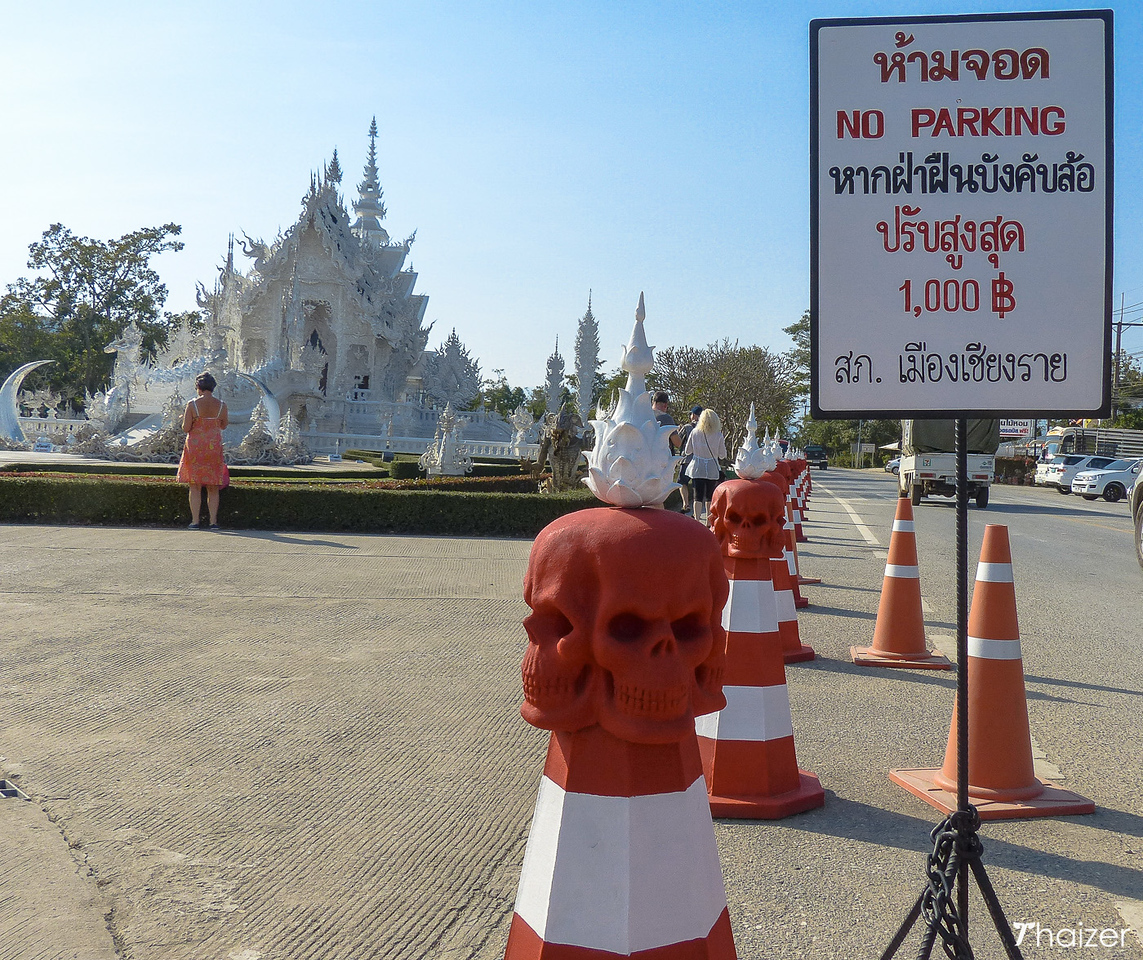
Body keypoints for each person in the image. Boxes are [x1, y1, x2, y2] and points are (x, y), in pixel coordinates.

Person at [177, 372, 230, 529]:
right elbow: (223, 425)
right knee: (213, 486)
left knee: (195, 485)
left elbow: (186, 428)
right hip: (213, 447)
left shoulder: (192, 405)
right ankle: (213, 521)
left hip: (195, 447)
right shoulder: (221, 405)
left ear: (198, 387)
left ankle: (195, 521)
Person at [683, 408, 726, 523]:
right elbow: (722, 455)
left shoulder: (695, 432)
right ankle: (708, 521)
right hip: (712, 467)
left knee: (697, 495)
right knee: (709, 495)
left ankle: (696, 520)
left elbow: (687, 451)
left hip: (697, 467)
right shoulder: (718, 435)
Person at [676, 406, 702, 514]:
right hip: (701, 460)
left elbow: (678, 440)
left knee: (681, 482)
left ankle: (685, 504)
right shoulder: (705, 428)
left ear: (694, 415)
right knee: (697, 485)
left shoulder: (687, 427)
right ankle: (697, 511)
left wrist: (678, 430)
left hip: (687, 459)